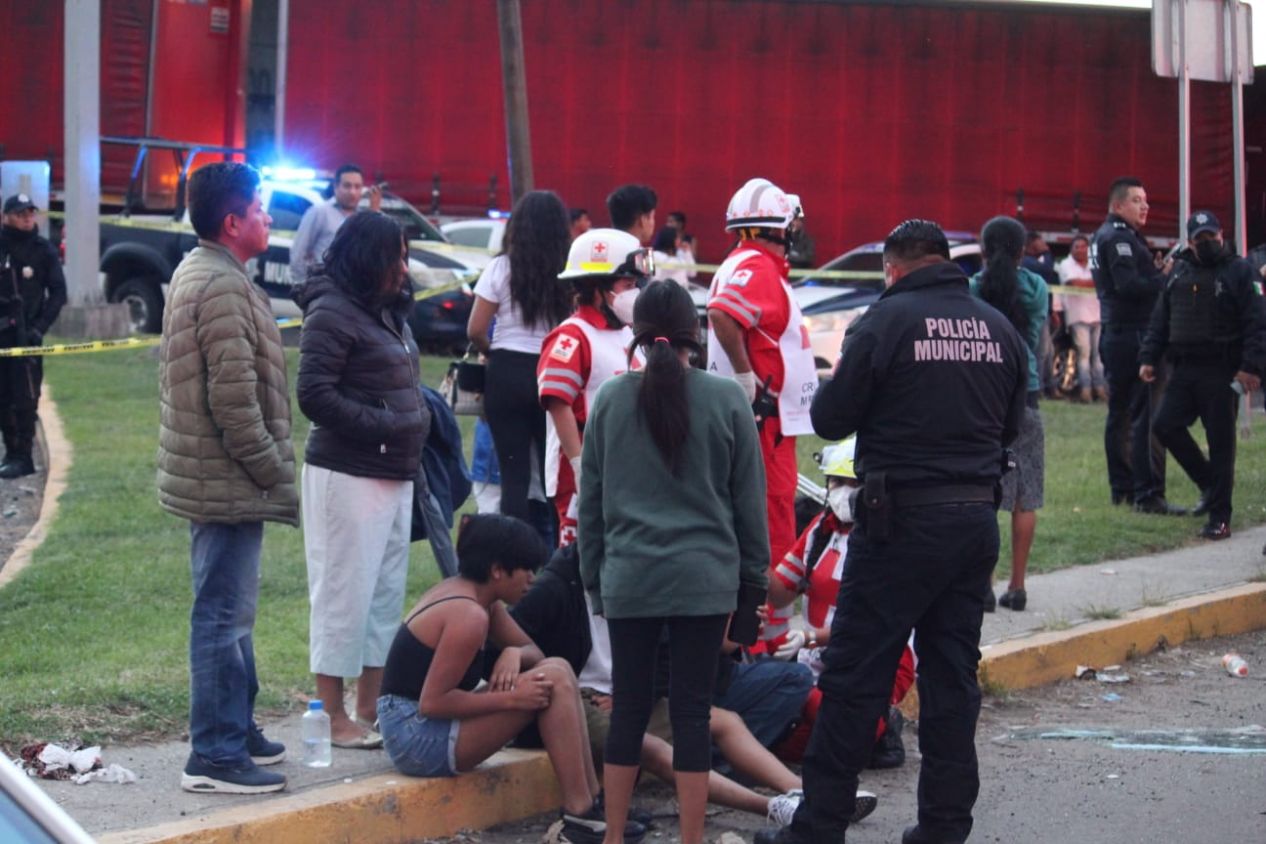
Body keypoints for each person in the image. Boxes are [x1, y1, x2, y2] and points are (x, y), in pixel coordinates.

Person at [757, 219, 1027, 844]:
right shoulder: (997, 327)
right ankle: (943, 828)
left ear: (894, 268)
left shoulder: (885, 321)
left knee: (855, 677)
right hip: (972, 524)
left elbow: (830, 418)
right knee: (952, 679)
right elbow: (1010, 427)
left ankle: (818, 825)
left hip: (899, 525)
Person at [579, 280, 769, 844]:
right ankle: (692, 840)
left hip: (629, 580)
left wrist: (596, 585)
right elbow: (749, 505)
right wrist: (752, 589)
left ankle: (613, 836)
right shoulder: (728, 398)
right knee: (691, 712)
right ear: (697, 333)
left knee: (630, 709)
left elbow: (591, 505)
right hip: (705, 582)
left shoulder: (610, 400)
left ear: (635, 338)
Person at [506, 544, 878, 831]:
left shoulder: (647, 583)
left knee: (726, 718)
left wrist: (736, 625)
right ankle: (772, 808)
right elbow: (512, 640)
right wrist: (516, 655)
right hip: (587, 701)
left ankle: (804, 793)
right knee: (654, 745)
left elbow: (679, 654)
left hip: (638, 695)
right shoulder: (559, 587)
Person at [158, 162, 298, 794]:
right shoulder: (218, 285)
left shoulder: (217, 273)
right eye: (261, 209)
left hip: (223, 480)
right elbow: (235, 404)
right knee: (220, 616)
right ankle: (213, 756)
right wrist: (274, 472)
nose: (269, 218)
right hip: (229, 480)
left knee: (232, 612)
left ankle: (235, 729)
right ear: (232, 222)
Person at [376, 514, 642, 844]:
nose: (532, 579)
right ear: (497, 570)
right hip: (413, 734)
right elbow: (433, 703)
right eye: (526, 569)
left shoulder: (483, 602)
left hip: (424, 721)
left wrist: (513, 653)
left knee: (556, 669)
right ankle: (581, 815)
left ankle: (589, 805)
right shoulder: (468, 615)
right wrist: (512, 699)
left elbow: (537, 655)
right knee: (551, 683)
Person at [295, 211, 428, 748]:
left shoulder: (384, 311)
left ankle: (369, 703)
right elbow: (314, 395)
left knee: (382, 592)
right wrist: (388, 424)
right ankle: (330, 713)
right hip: (347, 473)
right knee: (343, 593)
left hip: (394, 472)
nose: (403, 266)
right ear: (370, 258)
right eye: (395, 256)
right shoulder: (331, 311)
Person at [765, 439, 915, 771]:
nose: (843, 491)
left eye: (853, 483)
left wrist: (811, 637)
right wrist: (749, 554)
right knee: (784, 740)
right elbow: (777, 592)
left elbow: (871, 625)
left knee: (836, 735)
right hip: (817, 659)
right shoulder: (821, 529)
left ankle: (879, 724)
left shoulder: (894, 537)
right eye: (836, 482)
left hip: (878, 658)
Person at [707, 177, 818, 569]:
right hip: (764, 424)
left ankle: (759, 624)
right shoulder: (758, 268)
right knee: (773, 527)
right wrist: (745, 376)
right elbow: (723, 312)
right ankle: (766, 627)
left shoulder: (744, 264)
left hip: (762, 420)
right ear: (777, 227)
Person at [1139, 211, 1266, 540]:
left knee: (1221, 443)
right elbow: (1161, 317)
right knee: (1165, 426)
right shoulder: (1179, 271)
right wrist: (1149, 356)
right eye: (1200, 239)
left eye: (1212, 236)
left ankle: (1219, 517)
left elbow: (1257, 322)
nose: (1208, 243)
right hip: (1184, 367)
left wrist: (1251, 367)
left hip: (1222, 369)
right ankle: (1210, 484)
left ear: (1221, 235)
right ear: (1190, 242)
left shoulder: (1240, 271)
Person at [467, 191, 573, 547]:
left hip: (506, 372)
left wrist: (489, 354)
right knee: (553, 476)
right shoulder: (569, 272)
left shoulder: (501, 267)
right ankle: (559, 560)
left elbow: (475, 329)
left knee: (513, 475)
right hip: (553, 374)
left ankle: (515, 563)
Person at [538, 228, 648, 546]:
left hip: (622, 467)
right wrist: (579, 465)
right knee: (578, 563)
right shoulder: (572, 336)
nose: (635, 292)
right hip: (583, 473)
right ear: (598, 287)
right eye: (628, 284)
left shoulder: (627, 334)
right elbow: (557, 401)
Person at [971, 216, 1049, 612]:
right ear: (1023, 252)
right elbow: (1042, 347)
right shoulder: (1037, 289)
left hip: (982, 397)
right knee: (1025, 497)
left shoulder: (972, 290)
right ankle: (1017, 587)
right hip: (1027, 396)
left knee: (984, 493)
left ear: (983, 251)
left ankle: (983, 585)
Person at [1092, 177, 1183, 514]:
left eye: (1146, 200)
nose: (1145, 206)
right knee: (1145, 414)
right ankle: (1147, 494)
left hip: (1118, 333)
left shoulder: (1111, 236)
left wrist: (1153, 271)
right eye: (1136, 200)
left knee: (1121, 414)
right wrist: (1165, 277)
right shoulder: (1118, 238)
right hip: (1135, 335)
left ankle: (1125, 490)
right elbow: (1129, 286)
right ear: (1117, 205)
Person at [0, 193, 66, 478]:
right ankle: (11, 451)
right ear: (7, 217)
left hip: (27, 335)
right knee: (2, 396)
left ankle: (23, 455)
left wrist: (39, 328)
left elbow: (58, 293)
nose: (28, 219)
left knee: (25, 395)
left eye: (30, 213)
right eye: (21, 214)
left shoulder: (43, 250)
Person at [289, 163, 382, 283]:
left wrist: (374, 213)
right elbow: (298, 253)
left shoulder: (362, 217)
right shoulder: (320, 212)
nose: (352, 192)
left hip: (354, 292)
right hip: (324, 288)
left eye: (357, 187)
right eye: (347, 186)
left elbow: (373, 252)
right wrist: (303, 288)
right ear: (336, 187)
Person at [1057, 235, 1106, 402]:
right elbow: (1072, 283)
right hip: (1077, 315)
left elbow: (1103, 281)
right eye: (1076, 246)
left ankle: (1099, 388)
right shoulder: (1066, 264)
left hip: (1097, 314)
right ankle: (1086, 390)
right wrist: (1095, 281)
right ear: (1071, 249)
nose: (1080, 249)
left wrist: (1093, 281)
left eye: (1083, 246)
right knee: (1084, 354)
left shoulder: (1095, 262)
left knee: (1098, 355)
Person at [1023, 231, 1061, 401]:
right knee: (1041, 352)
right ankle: (1037, 388)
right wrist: (1046, 253)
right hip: (1035, 313)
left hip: (1043, 311)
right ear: (1031, 245)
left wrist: (1052, 310)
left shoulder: (1035, 262)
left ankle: (1048, 387)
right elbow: (1049, 272)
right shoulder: (1029, 262)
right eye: (1041, 242)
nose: (1045, 245)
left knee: (1047, 352)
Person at [665, 210, 698, 282]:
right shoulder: (665, 239)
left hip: (684, 277)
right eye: (667, 222)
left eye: (670, 222)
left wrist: (686, 251)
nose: (667, 224)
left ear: (680, 224)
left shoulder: (690, 240)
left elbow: (693, 264)